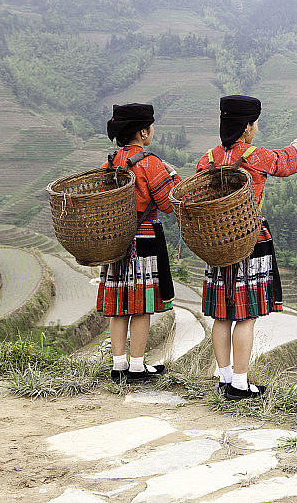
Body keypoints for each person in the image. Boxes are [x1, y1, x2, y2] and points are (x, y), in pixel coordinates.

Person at [195, 95, 297, 400]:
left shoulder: (207, 159)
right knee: (245, 315)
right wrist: (296, 147)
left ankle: (225, 377)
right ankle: (240, 384)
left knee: (222, 315)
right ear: (246, 127)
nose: (255, 128)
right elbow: (283, 163)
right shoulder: (254, 156)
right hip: (248, 241)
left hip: (218, 244)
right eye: (254, 123)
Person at [98, 103, 181, 383]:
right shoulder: (150, 162)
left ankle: (118, 365)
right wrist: (173, 176)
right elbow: (170, 204)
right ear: (144, 132)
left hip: (115, 241)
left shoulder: (110, 163)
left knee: (120, 305)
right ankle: (136, 366)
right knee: (142, 305)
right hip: (144, 241)